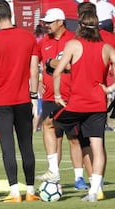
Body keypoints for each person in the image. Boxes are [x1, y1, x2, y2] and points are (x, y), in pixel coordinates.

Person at [52, 10, 115, 202]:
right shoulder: (106, 48)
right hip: (98, 104)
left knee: (50, 125)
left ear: (80, 26)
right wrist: (109, 89)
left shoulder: (73, 44)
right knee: (97, 147)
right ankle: (94, 191)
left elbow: (57, 72)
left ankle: (52, 170)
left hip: (77, 103)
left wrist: (56, 95)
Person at [0, 0, 40, 203]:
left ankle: (15, 192)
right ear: (11, 14)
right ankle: (31, 190)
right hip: (23, 99)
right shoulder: (28, 37)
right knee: (27, 146)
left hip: (2, 101)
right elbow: (34, 71)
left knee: (7, 146)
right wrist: (33, 97)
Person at [35, 8, 90, 191]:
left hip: (70, 96)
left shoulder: (74, 40)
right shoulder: (44, 42)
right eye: (45, 22)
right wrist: (38, 81)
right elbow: (37, 63)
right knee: (53, 134)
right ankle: (53, 173)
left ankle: (79, 178)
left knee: (73, 137)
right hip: (50, 97)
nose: (46, 25)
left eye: (50, 22)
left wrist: (56, 65)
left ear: (60, 22)